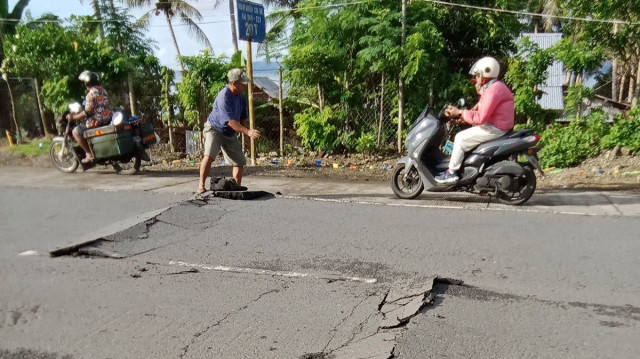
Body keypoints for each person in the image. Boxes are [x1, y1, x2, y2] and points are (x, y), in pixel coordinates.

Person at [435, 56, 515, 184]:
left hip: (496, 128)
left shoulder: (493, 91)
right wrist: (461, 118)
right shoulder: (494, 88)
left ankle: (451, 173)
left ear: (486, 73)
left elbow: (480, 117)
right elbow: (478, 112)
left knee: (460, 138)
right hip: (496, 126)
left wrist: (460, 112)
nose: (476, 79)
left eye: (478, 75)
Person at [197, 68, 261, 194]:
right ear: (234, 83)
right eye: (242, 83)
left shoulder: (240, 96)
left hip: (230, 132)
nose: (245, 86)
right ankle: (201, 186)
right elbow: (231, 122)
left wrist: (247, 137)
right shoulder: (224, 96)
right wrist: (248, 132)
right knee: (209, 156)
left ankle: (236, 188)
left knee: (239, 161)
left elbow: (242, 118)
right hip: (214, 129)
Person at [65, 71, 113, 164]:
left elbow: (87, 112)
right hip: (108, 117)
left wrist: (74, 117)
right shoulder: (103, 90)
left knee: (75, 131)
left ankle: (89, 153)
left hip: (97, 121)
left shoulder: (90, 94)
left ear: (87, 83)